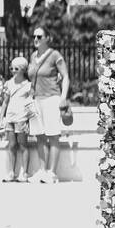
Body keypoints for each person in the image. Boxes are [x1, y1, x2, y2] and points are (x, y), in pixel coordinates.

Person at [27, 27, 70, 182]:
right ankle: (42, 170)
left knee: (53, 135)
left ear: (47, 38)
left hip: (51, 98)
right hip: (36, 99)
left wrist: (63, 97)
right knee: (40, 136)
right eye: (34, 36)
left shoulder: (54, 55)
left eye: (39, 36)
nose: (36, 39)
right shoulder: (33, 56)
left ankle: (52, 173)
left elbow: (65, 76)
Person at [0, 56, 35, 182]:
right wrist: (1, 118)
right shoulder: (8, 84)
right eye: (11, 68)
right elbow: (5, 102)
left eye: (16, 68)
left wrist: (30, 120)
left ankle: (24, 173)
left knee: (23, 145)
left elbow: (31, 103)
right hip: (10, 117)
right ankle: (11, 172)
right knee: (12, 145)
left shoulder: (28, 85)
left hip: (22, 118)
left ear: (23, 70)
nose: (13, 70)